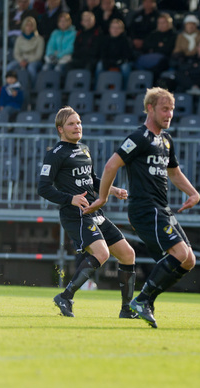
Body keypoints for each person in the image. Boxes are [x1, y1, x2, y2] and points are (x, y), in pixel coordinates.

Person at [84, 87, 200, 328]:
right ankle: (143, 300)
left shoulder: (166, 141)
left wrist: (192, 192)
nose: (169, 114)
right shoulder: (138, 138)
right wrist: (103, 197)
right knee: (179, 254)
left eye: (172, 110)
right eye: (164, 109)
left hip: (162, 208)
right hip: (145, 208)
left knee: (189, 260)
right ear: (150, 108)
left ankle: (145, 301)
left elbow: (174, 172)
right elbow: (110, 166)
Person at [37, 106, 137, 319]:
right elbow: (43, 188)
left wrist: (113, 189)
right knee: (102, 253)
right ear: (60, 129)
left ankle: (127, 309)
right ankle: (66, 296)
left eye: (79, 122)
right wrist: (70, 199)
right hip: (76, 214)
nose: (77, 127)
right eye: (72, 124)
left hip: (95, 211)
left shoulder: (84, 149)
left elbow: (92, 182)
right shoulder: (55, 155)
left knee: (128, 254)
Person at [8, 16, 45, 83]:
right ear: (23, 26)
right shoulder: (19, 39)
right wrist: (21, 60)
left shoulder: (39, 39)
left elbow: (38, 55)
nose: (29, 27)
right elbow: (16, 53)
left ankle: (33, 87)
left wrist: (27, 61)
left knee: (31, 68)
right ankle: (9, 85)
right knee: (9, 67)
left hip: (34, 60)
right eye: (27, 25)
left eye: (31, 25)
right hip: (21, 59)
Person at [96, 18, 134, 83]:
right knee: (99, 65)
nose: (115, 30)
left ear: (122, 29)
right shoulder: (105, 40)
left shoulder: (126, 40)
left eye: (118, 28)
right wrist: (108, 62)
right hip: (108, 61)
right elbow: (103, 54)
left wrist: (119, 61)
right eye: (113, 27)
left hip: (121, 62)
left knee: (125, 67)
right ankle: (97, 88)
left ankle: (126, 90)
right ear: (109, 29)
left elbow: (128, 55)